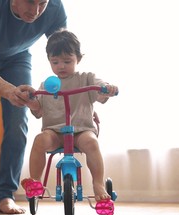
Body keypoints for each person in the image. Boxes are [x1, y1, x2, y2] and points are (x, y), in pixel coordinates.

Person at [0, 0, 67, 214]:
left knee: (18, 120)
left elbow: (65, 59)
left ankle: (5, 193)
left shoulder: (55, 8)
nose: (35, 12)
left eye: (42, 3)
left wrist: (81, 102)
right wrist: (9, 91)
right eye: (29, 2)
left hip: (18, 56)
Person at [22, 29, 118, 202]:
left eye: (67, 61)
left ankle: (98, 183)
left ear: (78, 59)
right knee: (39, 140)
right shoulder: (47, 84)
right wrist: (31, 102)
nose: (61, 66)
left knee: (91, 142)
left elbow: (99, 89)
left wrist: (107, 89)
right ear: (49, 61)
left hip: (81, 131)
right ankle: (35, 182)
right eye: (55, 61)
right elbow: (38, 110)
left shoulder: (86, 78)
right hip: (55, 133)